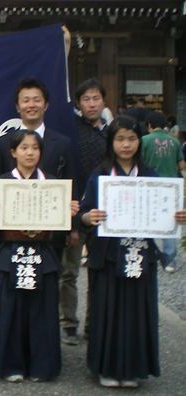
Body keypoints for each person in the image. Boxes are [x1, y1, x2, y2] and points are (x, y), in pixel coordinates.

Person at [79, 115, 186, 388]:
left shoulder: (151, 176)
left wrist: (177, 217)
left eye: (132, 138)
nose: (126, 145)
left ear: (139, 141)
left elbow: (165, 211)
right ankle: (105, 367)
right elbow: (83, 211)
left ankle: (133, 369)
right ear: (111, 142)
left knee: (137, 311)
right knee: (108, 310)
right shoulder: (100, 175)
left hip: (141, 253)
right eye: (120, 139)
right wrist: (88, 217)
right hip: (108, 255)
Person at [0, 129, 79, 382]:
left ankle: (41, 366)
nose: (30, 152)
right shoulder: (1, 183)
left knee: (41, 311)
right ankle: (10, 364)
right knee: (10, 309)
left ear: (40, 153)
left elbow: (62, 230)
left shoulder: (52, 182)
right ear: (13, 152)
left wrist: (68, 213)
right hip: (10, 253)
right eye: (24, 148)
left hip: (42, 253)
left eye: (35, 148)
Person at [60, 78, 108, 345]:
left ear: (104, 101)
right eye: (86, 99)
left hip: (105, 214)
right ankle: (68, 323)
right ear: (78, 104)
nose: (91, 104)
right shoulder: (72, 129)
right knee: (69, 272)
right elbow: (61, 91)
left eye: (96, 98)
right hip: (76, 211)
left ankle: (93, 323)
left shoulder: (113, 134)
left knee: (99, 272)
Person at [0, 78, 76, 195]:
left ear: (46, 105)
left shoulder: (63, 143)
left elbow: (71, 189)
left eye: (37, 100)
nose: (31, 105)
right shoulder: (2, 143)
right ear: (17, 107)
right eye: (26, 101)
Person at [141, 111, 185, 273]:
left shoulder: (145, 140)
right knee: (168, 221)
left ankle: (146, 254)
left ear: (150, 126)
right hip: (171, 187)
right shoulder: (174, 141)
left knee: (147, 219)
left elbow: (140, 163)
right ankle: (170, 260)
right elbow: (181, 166)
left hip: (150, 185)